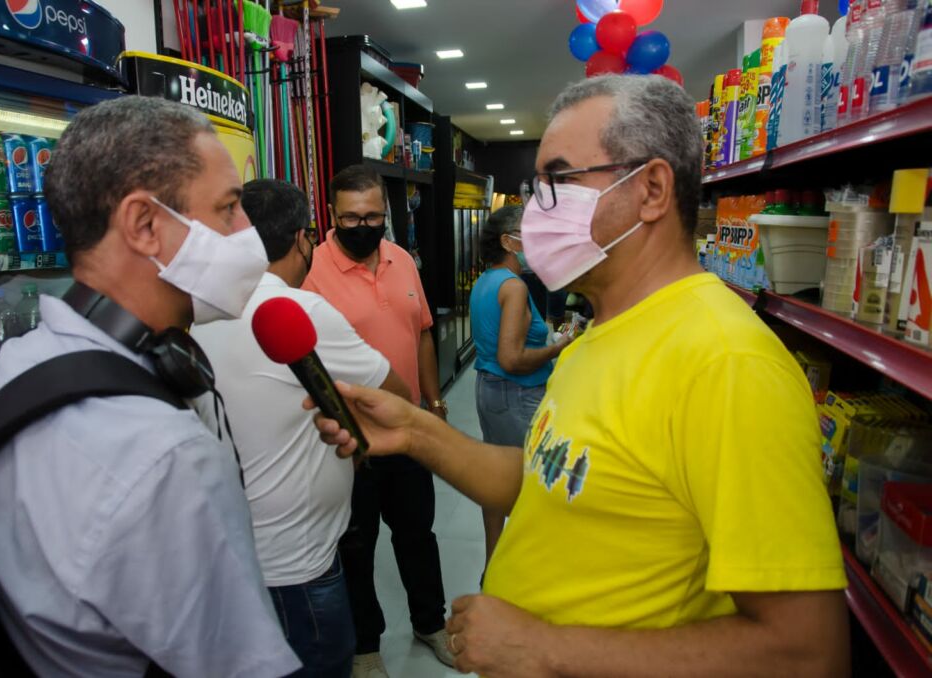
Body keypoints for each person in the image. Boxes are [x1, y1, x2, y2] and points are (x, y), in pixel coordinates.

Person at [309, 75, 849, 677]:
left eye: (558, 181)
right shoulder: (602, 332)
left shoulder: (726, 364)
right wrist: (414, 430)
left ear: (650, 189)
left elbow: (807, 653)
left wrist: (543, 648)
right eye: (535, 185)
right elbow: (552, 478)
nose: (537, 208)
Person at [0, 97, 301, 677]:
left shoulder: (9, 367)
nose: (248, 234)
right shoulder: (165, 457)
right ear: (145, 225)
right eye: (229, 209)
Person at [191, 179, 411, 677]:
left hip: (232, 546)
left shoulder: (203, 312)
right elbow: (396, 396)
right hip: (298, 560)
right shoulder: (300, 310)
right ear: (301, 238)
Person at [303, 165, 452, 676]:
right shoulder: (311, 272)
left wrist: (434, 405)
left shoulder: (403, 260)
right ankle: (366, 645)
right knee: (356, 546)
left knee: (419, 535)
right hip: (351, 441)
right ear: (330, 214)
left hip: (410, 431)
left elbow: (424, 334)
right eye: (351, 217)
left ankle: (431, 624)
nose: (363, 226)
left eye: (373, 216)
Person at [470, 205, 569, 568]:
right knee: (532, 489)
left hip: (489, 391)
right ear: (508, 242)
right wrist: (558, 347)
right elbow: (512, 358)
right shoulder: (512, 287)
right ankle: (524, 572)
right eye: (527, 234)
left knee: (496, 482)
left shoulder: (486, 280)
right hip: (516, 394)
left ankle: (493, 567)